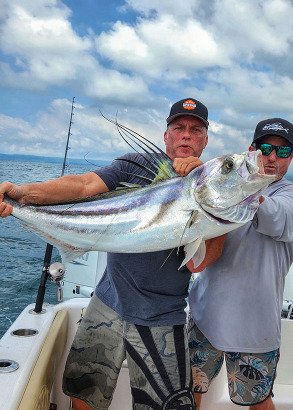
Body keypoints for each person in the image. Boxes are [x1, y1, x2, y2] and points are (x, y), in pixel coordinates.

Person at [0, 98, 214, 410]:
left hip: (161, 317)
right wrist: (23, 194)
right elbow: (85, 185)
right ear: (166, 135)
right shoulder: (134, 165)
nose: (186, 135)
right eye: (178, 128)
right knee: (83, 394)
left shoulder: (210, 185)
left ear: (204, 141)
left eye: (195, 130)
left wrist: (201, 192)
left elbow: (201, 261)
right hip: (106, 302)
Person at [188, 118, 293, 410]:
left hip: (256, 330)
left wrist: (233, 184)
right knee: (189, 393)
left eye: (283, 151)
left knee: (259, 403)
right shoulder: (226, 189)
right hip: (205, 317)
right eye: (265, 148)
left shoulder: (292, 196)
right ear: (251, 150)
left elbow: (276, 217)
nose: (272, 158)